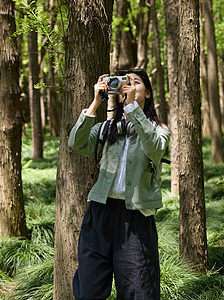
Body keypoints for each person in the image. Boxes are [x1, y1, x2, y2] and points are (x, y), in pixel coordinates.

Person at [68, 69, 170, 300]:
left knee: (139, 290)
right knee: (89, 290)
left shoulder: (158, 129)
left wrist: (133, 108)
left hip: (136, 217)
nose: (129, 85)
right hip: (99, 213)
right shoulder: (106, 128)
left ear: (148, 92)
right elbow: (76, 142)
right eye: (125, 82)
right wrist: (95, 103)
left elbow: (154, 147)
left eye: (135, 82)